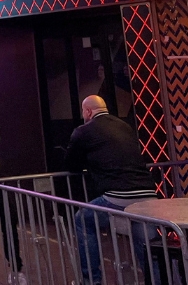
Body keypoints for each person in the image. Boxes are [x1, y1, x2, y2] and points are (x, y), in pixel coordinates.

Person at [66, 95, 159, 285]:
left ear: (88, 111)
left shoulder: (83, 131)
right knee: (146, 242)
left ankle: (92, 280)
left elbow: (71, 164)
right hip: (148, 193)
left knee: (83, 220)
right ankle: (157, 280)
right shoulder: (124, 126)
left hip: (117, 195)